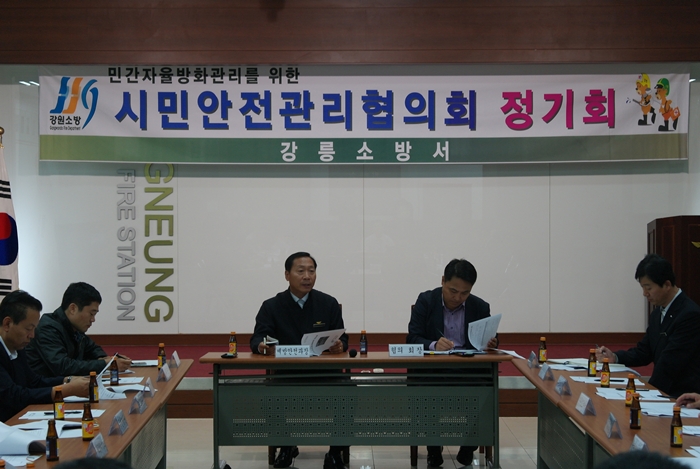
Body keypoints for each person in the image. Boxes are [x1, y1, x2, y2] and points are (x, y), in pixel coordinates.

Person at [250, 252, 349, 469]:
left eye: (311, 271)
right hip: (288, 374)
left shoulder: (328, 303)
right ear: (287, 275)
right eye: (301, 271)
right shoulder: (272, 306)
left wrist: (340, 345)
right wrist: (263, 346)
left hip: (325, 375)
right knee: (271, 393)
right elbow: (259, 337)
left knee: (348, 390)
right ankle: (286, 445)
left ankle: (335, 452)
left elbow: (343, 337)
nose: (307, 276)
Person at [406, 258, 498, 467]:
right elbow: (412, 338)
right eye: (453, 291)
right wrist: (433, 345)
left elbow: (491, 337)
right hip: (433, 369)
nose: (457, 298)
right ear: (443, 281)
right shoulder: (426, 301)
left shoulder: (479, 306)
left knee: (486, 391)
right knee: (427, 393)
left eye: (465, 293)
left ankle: (469, 446)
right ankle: (433, 449)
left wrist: (492, 342)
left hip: (468, 370)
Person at [597, 254, 700, 397]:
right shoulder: (658, 313)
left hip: (682, 396)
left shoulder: (689, 314)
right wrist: (615, 357)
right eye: (643, 288)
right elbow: (644, 352)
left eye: (648, 288)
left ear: (667, 285)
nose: (645, 294)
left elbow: (670, 363)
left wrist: (648, 392)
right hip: (663, 391)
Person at [0, 290, 89, 422]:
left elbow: (33, 382)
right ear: (7, 324)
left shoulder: (17, 347)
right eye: (28, 329)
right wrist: (65, 390)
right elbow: (13, 396)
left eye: (34, 329)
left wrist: (67, 380)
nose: (32, 335)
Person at [26, 282, 131, 377]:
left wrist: (105, 358)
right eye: (91, 314)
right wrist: (105, 364)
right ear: (73, 308)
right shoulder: (47, 328)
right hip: (45, 389)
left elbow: (92, 348)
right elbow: (63, 367)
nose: (93, 319)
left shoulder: (74, 328)